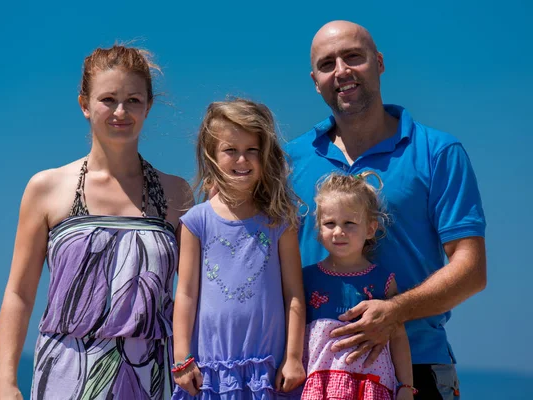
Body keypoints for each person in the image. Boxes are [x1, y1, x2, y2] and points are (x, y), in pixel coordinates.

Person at [286, 21, 486, 399]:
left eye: (353, 57)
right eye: (327, 64)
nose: (342, 71)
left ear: (378, 62)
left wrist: (395, 311)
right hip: (313, 373)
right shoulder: (287, 160)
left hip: (417, 369)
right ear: (315, 81)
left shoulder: (437, 152)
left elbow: (471, 269)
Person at [0, 45, 192, 400]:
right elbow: (19, 293)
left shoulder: (176, 193)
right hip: (65, 376)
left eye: (133, 100)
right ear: (85, 104)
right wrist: (5, 381)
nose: (121, 111)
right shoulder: (46, 188)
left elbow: (195, 293)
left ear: (148, 106)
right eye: (108, 99)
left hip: (152, 378)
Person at [171, 98, 306, 399]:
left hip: (268, 370)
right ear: (212, 155)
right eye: (231, 150)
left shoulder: (280, 221)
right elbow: (186, 293)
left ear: (265, 154)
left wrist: (294, 357)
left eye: (251, 151)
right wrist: (182, 358)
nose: (241, 160)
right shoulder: (196, 221)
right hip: (209, 371)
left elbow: (294, 294)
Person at [302, 171, 415, 400]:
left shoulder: (382, 281)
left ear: (370, 229)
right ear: (318, 229)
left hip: (370, 388)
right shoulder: (306, 278)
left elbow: (398, 336)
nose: (338, 232)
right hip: (318, 387)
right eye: (329, 223)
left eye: (349, 223)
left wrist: (406, 386)